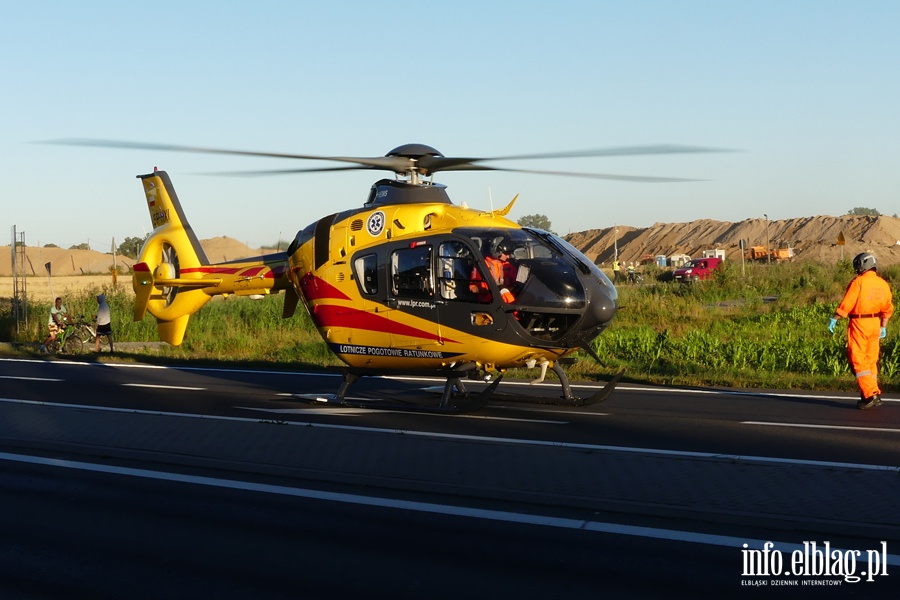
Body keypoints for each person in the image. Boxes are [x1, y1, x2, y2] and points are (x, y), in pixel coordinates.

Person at [828, 252, 894, 409]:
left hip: (859, 323)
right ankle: (871, 393)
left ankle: (870, 395)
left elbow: (847, 303)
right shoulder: (883, 284)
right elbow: (888, 308)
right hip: (875, 324)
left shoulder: (858, 282)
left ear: (862, 265)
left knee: (858, 359)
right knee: (871, 360)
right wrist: (883, 326)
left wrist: (835, 319)